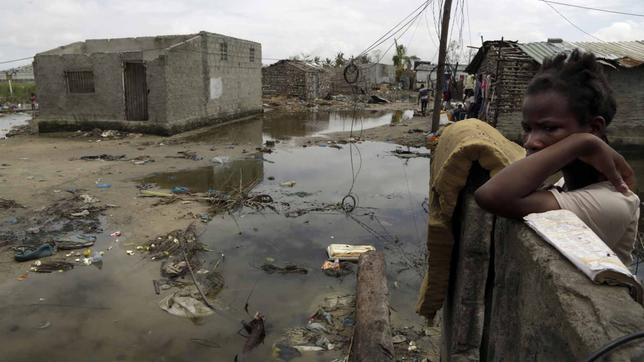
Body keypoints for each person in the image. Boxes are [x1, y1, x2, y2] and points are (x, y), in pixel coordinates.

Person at [475, 49, 640, 266]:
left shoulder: (612, 201)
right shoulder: (566, 183)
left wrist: (580, 143)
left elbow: (492, 196)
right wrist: (580, 142)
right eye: (528, 128)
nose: (530, 141)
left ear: (594, 128)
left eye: (549, 128)